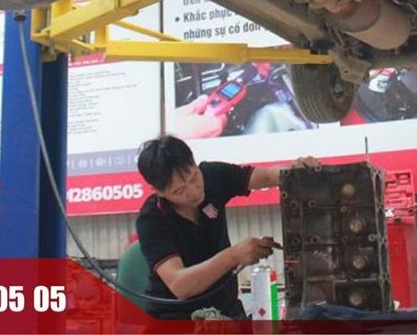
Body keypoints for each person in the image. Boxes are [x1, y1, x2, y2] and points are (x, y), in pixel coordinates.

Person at [135, 134, 318, 319]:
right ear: (158, 191)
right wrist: (234, 256)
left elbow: (265, 176)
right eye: (179, 191)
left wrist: (293, 173)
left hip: (227, 310)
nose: (193, 191)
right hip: (176, 319)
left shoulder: (211, 175)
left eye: (194, 177)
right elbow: (181, 285)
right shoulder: (152, 219)